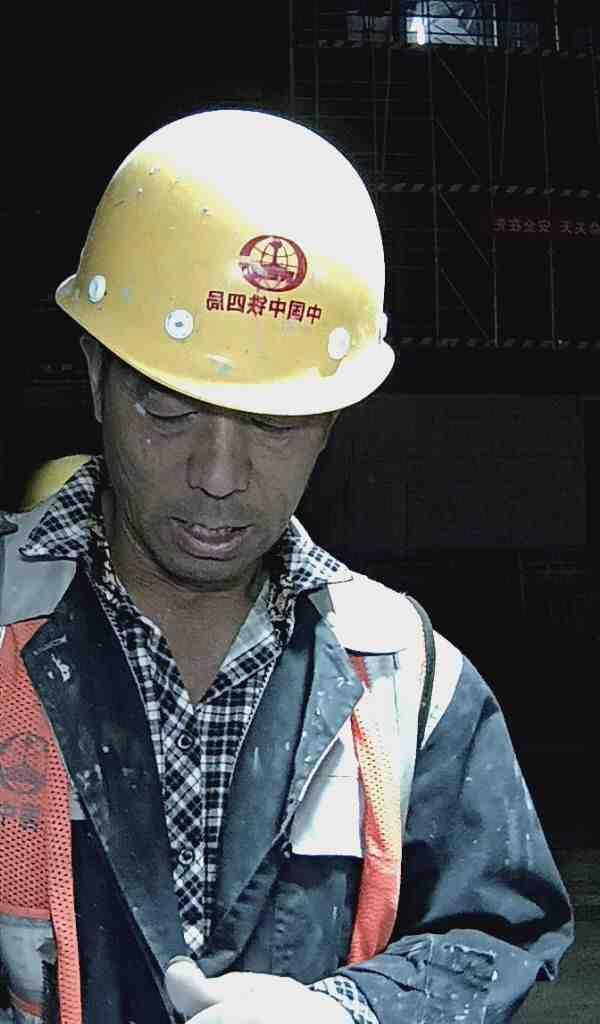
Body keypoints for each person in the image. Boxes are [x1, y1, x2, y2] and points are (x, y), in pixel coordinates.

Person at [0, 110, 572, 1024]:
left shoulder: (407, 680)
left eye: (274, 423)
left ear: (334, 419)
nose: (219, 476)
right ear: (94, 375)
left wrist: (352, 1012)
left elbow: (497, 929)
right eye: (167, 409)